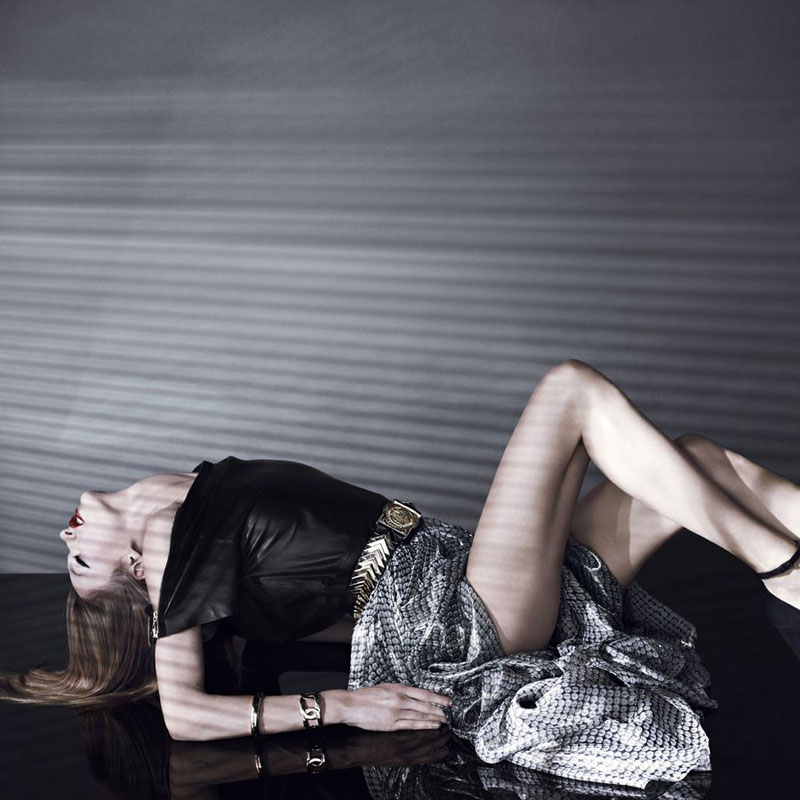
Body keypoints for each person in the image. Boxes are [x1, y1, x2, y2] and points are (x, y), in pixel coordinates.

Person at [2, 358, 799, 788]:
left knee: (694, 461)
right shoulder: (170, 547)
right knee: (569, 391)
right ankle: (786, 572)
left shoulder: (176, 496)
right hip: (455, 618)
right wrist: (347, 705)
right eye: (78, 561)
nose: (65, 536)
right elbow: (183, 716)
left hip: (463, 571)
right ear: (136, 569)